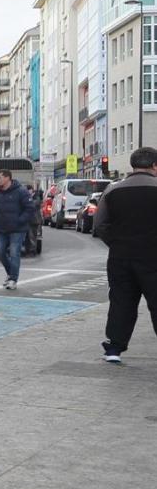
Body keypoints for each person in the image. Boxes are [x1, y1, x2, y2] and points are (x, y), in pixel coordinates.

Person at [93, 146, 157, 363]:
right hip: (153, 257)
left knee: (121, 301)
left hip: (121, 257)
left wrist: (116, 242)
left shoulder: (113, 190)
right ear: (155, 166)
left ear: (133, 166)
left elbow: (99, 224)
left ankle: (114, 349)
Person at [0, 170, 37, 289]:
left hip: (17, 229)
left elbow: (30, 208)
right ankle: (11, 273)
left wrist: (20, 220)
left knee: (14, 252)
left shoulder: (21, 191)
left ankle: (13, 279)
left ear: (7, 178)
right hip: (2, 228)